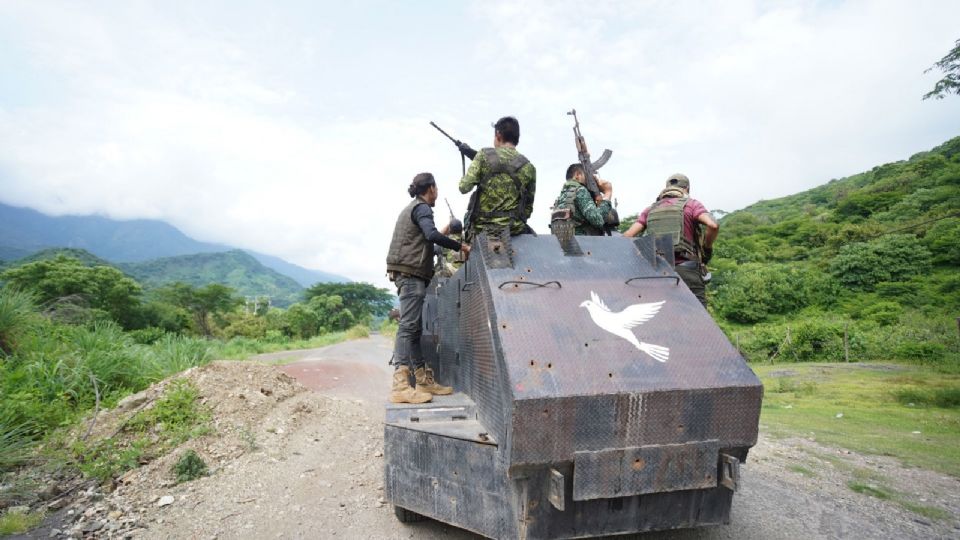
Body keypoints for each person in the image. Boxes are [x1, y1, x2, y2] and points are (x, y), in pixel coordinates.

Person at [386, 173, 471, 404]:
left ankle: (422, 379)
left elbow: (427, 239)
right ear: (431, 188)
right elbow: (431, 235)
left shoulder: (413, 208)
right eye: (437, 188)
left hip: (408, 273)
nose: (437, 192)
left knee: (413, 330)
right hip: (411, 274)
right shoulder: (422, 208)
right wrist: (461, 245)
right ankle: (401, 385)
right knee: (409, 327)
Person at [623, 173, 719, 308]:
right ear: (687, 189)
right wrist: (706, 249)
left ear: (667, 188)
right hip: (686, 270)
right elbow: (713, 225)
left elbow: (628, 236)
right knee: (696, 319)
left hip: (655, 273)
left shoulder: (650, 209)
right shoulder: (691, 205)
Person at [458, 116, 536, 241]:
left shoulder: (483, 155)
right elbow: (528, 209)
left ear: (498, 135)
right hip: (513, 230)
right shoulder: (528, 166)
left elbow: (464, 187)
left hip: (482, 229)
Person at [552, 163, 614, 235]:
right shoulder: (580, 190)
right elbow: (597, 220)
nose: (589, 180)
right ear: (578, 175)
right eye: (587, 175)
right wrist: (607, 193)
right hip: (582, 243)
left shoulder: (562, 197)